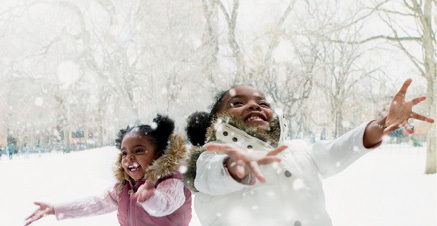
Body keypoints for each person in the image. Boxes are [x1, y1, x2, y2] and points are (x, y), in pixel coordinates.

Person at [183, 78, 434, 226]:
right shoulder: (211, 157)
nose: (253, 105)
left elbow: (338, 151)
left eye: (262, 103)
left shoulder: (297, 149)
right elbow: (209, 178)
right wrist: (234, 168)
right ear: (217, 119)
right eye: (238, 103)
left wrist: (382, 124)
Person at [25, 114, 192, 226]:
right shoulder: (124, 188)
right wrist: (56, 209)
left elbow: (166, 204)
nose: (128, 158)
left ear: (159, 155)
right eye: (124, 153)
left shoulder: (172, 181)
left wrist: (151, 198)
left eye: (138, 150)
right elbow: (96, 203)